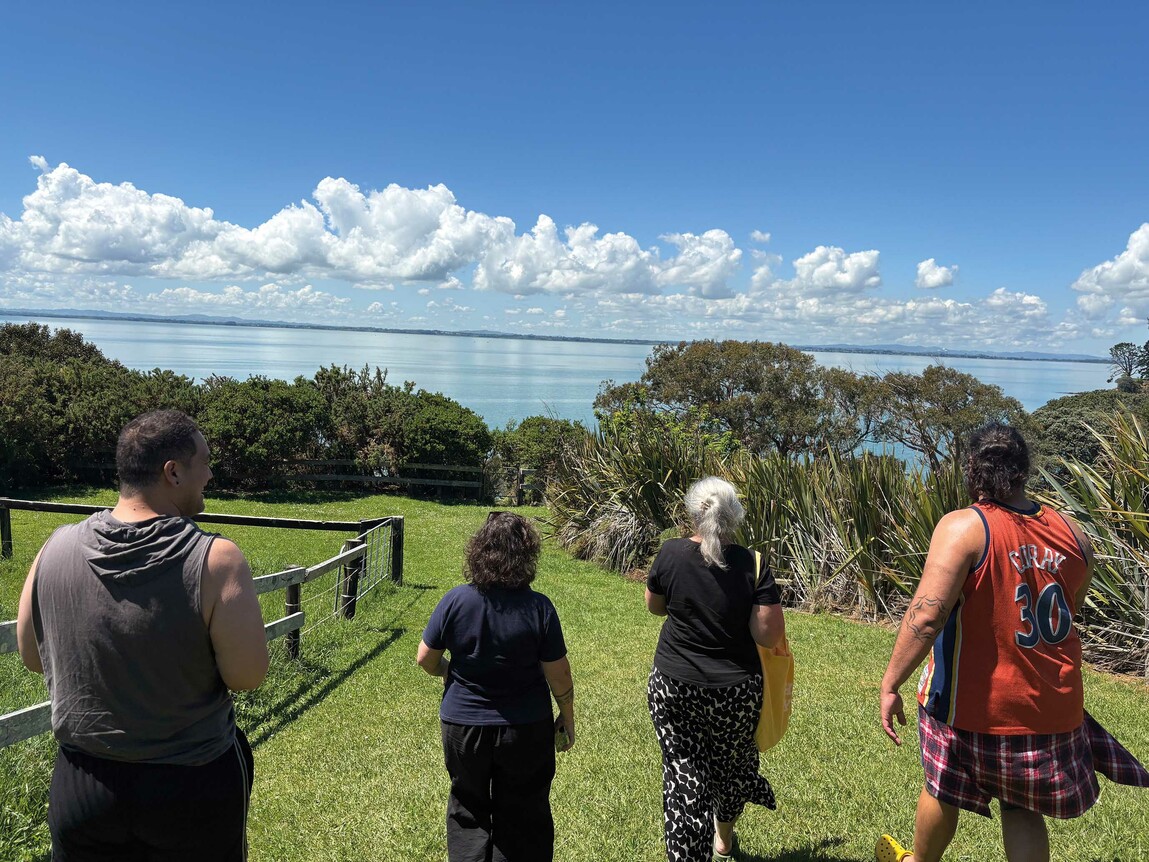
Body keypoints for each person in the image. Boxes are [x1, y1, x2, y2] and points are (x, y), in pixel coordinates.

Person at [877, 423, 1149, 862]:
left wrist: (891, 684)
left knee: (942, 788)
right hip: (1048, 711)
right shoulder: (1074, 535)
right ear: (1024, 470)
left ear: (973, 471)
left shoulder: (964, 527)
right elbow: (1068, 613)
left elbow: (927, 616)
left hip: (970, 710)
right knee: (1021, 807)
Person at [15, 409, 269, 862]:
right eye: (205, 462)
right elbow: (247, 675)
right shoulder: (216, 560)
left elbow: (33, 657)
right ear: (172, 472)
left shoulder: (53, 548)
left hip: (82, 783)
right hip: (192, 782)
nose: (210, 474)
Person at [417, 512, 574, 862]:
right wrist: (567, 715)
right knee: (523, 814)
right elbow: (559, 674)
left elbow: (425, 658)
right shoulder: (539, 608)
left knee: (468, 809)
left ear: (479, 551)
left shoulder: (456, 600)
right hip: (525, 729)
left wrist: (448, 673)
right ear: (527, 556)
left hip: (463, 728)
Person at [644, 476, 786, 862]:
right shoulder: (753, 564)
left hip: (674, 685)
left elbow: (655, 606)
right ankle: (723, 839)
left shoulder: (670, 553)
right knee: (731, 768)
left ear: (692, 513)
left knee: (683, 775)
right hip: (735, 693)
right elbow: (769, 635)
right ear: (734, 516)